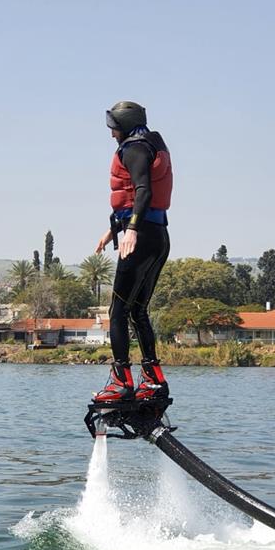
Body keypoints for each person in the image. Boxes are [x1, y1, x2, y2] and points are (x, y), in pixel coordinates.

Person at [93, 101, 172, 403]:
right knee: (138, 310)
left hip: (140, 237)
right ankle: (154, 380)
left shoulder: (133, 149)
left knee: (117, 311)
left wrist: (132, 230)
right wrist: (113, 231)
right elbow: (134, 196)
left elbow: (142, 190)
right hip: (158, 237)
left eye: (114, 127)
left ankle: (121, 383)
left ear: (125, 125)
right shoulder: (151, 144)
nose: (112, 133)